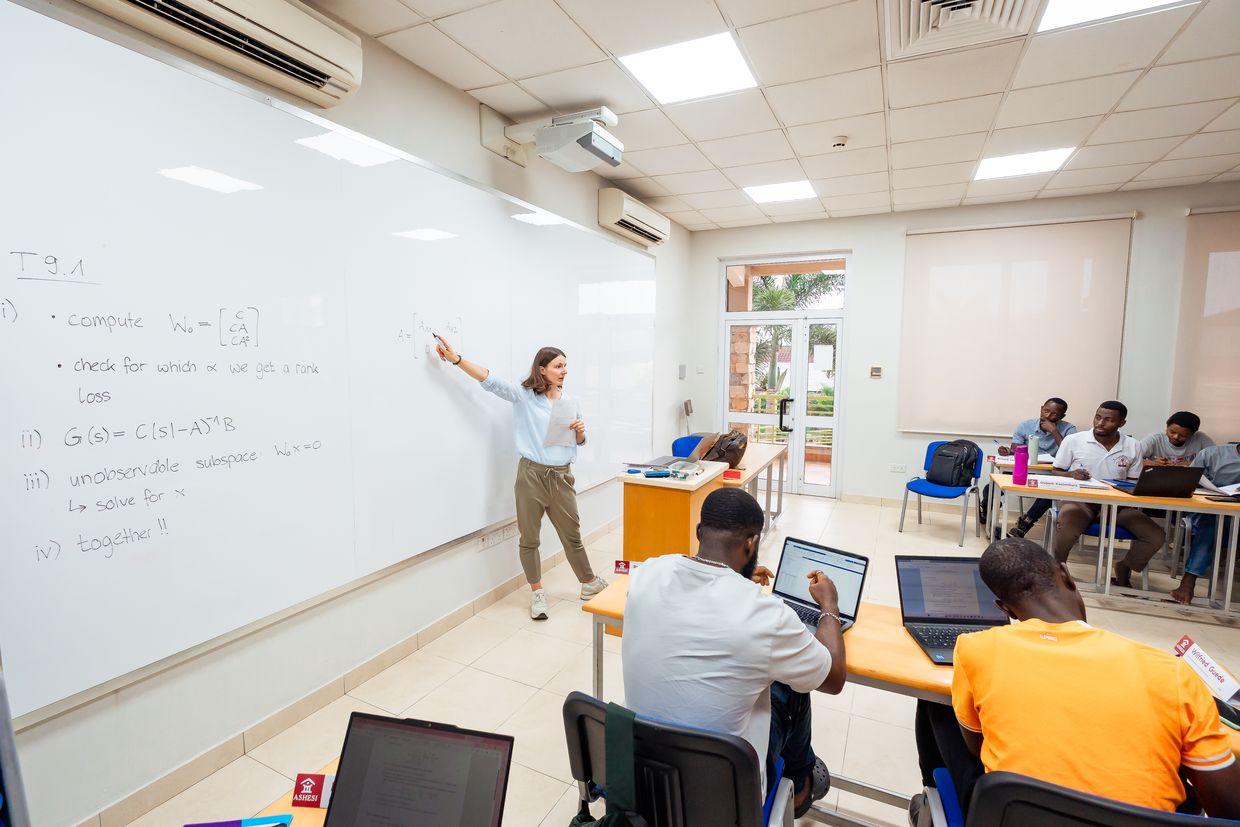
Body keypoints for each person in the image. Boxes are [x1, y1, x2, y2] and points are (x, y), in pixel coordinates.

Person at [914, 538, 1240, 822]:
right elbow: (1230, 811)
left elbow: (977, 747)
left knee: (935, 702)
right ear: (1067, 577)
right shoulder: (1171, 672)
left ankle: (930, 797)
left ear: (1005, 609)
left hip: (1009, 816)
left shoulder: (976, 649)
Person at [622, 488, 844, 818]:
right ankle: (799, 785)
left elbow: (693, 593)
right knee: (793, 686)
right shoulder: (768, 614)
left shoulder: (646, 574)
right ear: (751, 543)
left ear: (699, 533)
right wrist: (829, 605)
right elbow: (833, 678)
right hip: (727, 797)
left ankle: (800, 778)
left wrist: (733, 579)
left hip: (648, 779)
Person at [434, 336, 606, 619]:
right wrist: (456, 360)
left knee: (572, 535)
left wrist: (580, 432)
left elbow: (579, 441)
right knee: (530, 538)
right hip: (531, 475)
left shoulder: (571, 401)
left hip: (562, 476)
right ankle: (537, 593)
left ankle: (588, 583)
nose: (564, 371)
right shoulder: (525, 397)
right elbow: (490, 380)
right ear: (542, 369)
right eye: (559, 366)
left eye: (566, 366)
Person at [1049, 401, 1163, 588]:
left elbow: (1133, 482)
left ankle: (1125, 567)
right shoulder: (1074, 440)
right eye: (1098, 417)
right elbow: (1056, 471)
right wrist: (1072, 473)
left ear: (1122, 423)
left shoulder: (1132, 445)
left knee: (1155, 535)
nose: (1100, 423)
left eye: (1108, 420)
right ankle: (1057, 571)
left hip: (1117, 506)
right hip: (1081, 501)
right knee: (1068, 525)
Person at [993, 397, 1076, 539]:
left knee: (1051, 492)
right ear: (1041, 408)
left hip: (1050, 473)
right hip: (1025, 468)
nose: (1048, 416)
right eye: (1046, 411)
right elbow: (1015, 449)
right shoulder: (1025, 425)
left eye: (1054, 414)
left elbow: (1069, 453)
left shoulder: (1070, 429)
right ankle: (989, 519)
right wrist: (1008, 451)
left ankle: (1024, 525)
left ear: (1062, 416)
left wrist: (1054, 431)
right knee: (992, 488)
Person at [1170, 441, 1240, 605]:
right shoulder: (1212, 454)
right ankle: (1189, 579)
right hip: (1210, 511)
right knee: (1215, 523)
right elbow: (1189, 481)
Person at [1141, 411, 1214, 465]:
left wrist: (1192, 464)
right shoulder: (1155, 439)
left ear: (1192, 434)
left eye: (1183, 435)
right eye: (1172, 432)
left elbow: (1216, 460)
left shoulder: (1200, 438)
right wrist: (1153, 463)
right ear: (1167, 427)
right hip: (1157, 478)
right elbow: (1133, 459)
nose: (1176, 437)